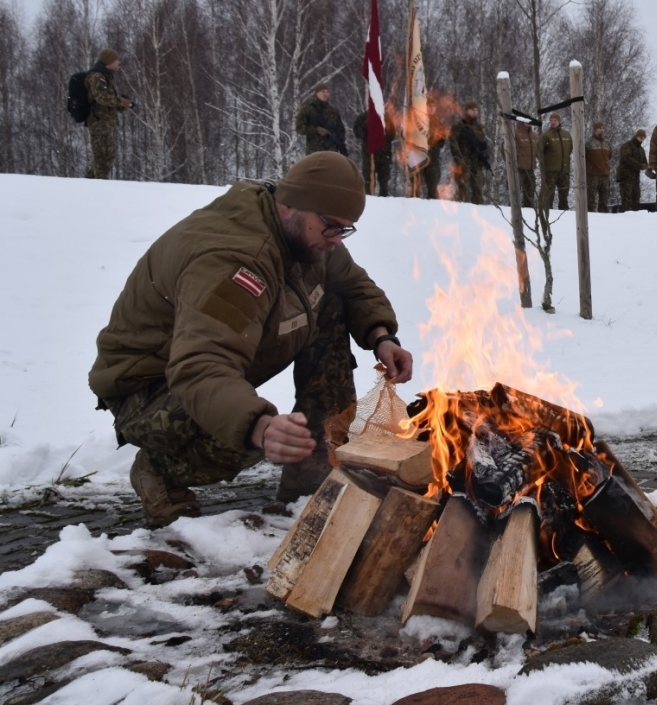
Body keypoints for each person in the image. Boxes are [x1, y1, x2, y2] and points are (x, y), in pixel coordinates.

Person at [88, 152, 413, 525]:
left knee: (333, 304)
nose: (337, 240)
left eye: (345, 229)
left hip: (210, 364)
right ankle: (161, 470)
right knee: (244, 433)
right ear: (290, 205)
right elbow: (200, 367)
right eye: (331, 227)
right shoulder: (233, 261)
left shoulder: (305, 234)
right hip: (149, 389)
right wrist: (260, 426)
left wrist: (381, 337)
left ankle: (311, 476)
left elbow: (354, 285)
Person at [84, 48, 133, 180]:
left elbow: (109, 100)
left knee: (108, 156)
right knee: (102, 159)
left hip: (107, 123)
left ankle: (88, 182)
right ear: (109, 61)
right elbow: (102, 98)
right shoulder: (97, 77)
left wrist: (123, 105)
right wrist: (122, 102)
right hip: (99, 123)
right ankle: (99, 187)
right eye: (116, 60)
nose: (119, 62)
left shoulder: (106, 76)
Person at [449, 100, 491, 204]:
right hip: (464, 161)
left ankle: (479, 209)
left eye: (476, 110)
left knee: (477, 188)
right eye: (472, 110)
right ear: (467, 111)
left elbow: (483, 143)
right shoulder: (459, 125)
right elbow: (453, 142)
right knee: (463, 188)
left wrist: (485, 154)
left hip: (476, 162)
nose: (475, 112)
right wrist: (458, 158)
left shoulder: (479, 127)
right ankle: (460, 208)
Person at [296, 83, 347, 156]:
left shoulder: (333, 111)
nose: (326, 94)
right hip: (314, 152)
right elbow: (299, 128)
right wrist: (316, 130)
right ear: (316, 93)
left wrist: (340, 142)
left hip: (331, 153)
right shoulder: (308, 110)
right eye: (323, 91)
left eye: (327, 92)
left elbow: (341, 130)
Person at [353, 109, 392, 197]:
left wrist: (384, 129)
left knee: (384, 179)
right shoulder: (364, 117)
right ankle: (369, 198)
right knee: (368, 178)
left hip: (384, 154)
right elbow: (357, 132)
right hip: (369, 155)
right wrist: (366, 126)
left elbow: (392, 134)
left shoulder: (386, 117)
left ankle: (384, 198)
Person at [539, 112, 573, 211]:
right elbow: (539, 152)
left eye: (555, 120)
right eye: (551, 120)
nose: (553, 122)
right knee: (549, 194)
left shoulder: (566, 135)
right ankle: (547, 213)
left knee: (564, 194)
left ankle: (564, 213)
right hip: (550, 171)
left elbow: (569, 149)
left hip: (564, 170)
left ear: (559, 121)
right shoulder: (546, 135)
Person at [616, 129, 648, 211]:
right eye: (640, 137)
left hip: (635, 177)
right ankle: (625, 215)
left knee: (636, 196)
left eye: (643, 138)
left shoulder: (641, 149)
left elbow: (644, 161)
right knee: (626, 197)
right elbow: (627, 158)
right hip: (626, 175)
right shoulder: (627, 146)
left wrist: (647, 167)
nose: (642, 139)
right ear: (636, 136)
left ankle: (636, 215)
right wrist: (640, 165)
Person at [584, 121, 612, 213]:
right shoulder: (589, 142)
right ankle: (591, 220)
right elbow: (583, 158)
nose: (601, 130)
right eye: (599, 128)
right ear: (595, 130)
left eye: (602, 128)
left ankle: (604, 220)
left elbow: (610, 156)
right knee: (591, 201)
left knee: (604, 201)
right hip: (593, 176)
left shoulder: (607, 143)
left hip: (605, 175)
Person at [515, 121, 538, 206]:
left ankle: (529, 213)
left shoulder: (534, 135)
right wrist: (512, 163)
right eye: (526, 121)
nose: (528, 123)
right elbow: (504, 148)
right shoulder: (515, 133)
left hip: (530, 169)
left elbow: (537, 151)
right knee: (515, 193)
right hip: (518, 169)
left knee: (530, 193)